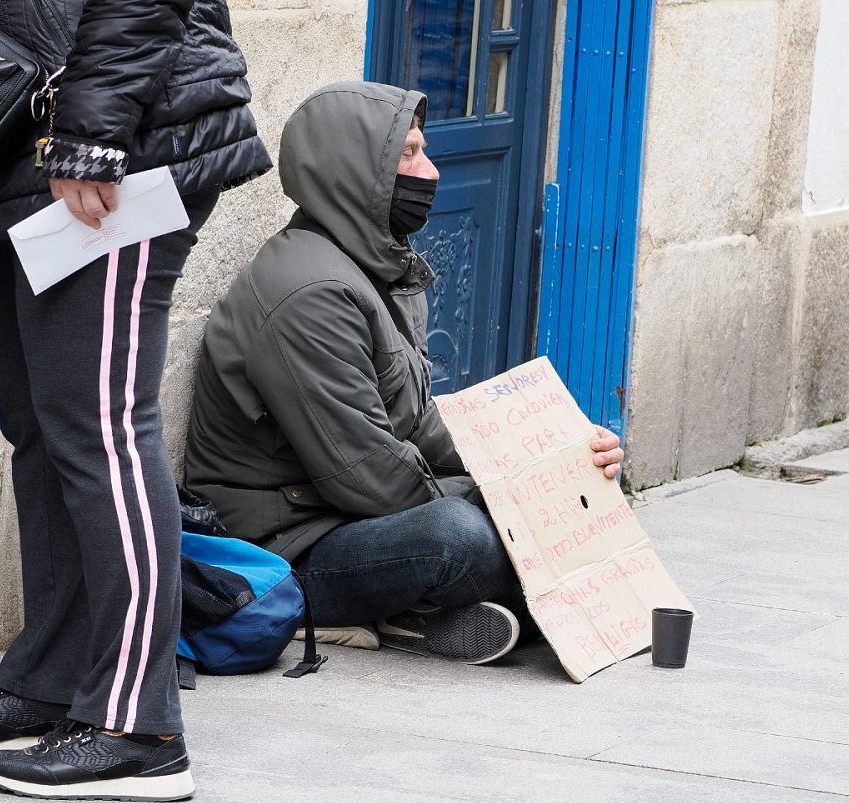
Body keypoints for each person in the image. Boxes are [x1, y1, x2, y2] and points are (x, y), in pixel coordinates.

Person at [0, 0, 272, 801]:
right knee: (41, 429)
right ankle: (52, 680)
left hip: (114, 142)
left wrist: (92, 130)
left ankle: (138, 726)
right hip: (4, 148)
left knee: (101, 430)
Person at [183, 81, 625, 666]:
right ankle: (373, 614)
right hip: (288, 547)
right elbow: (367, 478)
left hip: (349, 517)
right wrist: (495, 493)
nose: (432, 171)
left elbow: (414, 420)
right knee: (465, 537)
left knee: (577, 497)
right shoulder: (309, 292)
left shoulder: (374, 267)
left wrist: (545, 460)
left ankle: (418, 615)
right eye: (409, 154)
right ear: (353, 171)